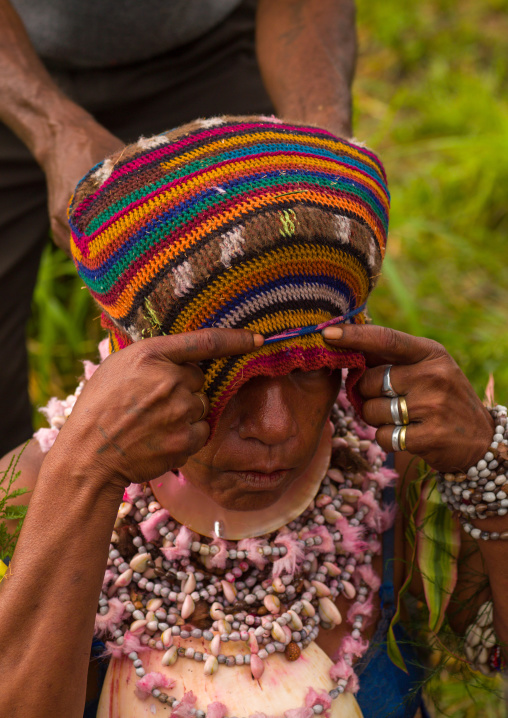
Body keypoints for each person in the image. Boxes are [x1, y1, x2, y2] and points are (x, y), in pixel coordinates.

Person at [0, 117, 506, 718]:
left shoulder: (395, 468)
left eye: (308, 370)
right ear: (126, 359)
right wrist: (84, 478)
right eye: (226, 378)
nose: (275, 427)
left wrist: (488, 468)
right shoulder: (37, 489)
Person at [0, 0, 357, 457]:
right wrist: (54, 130)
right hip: (16, 65)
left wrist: (320, 152)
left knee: (282, 305)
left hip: (205, 55)